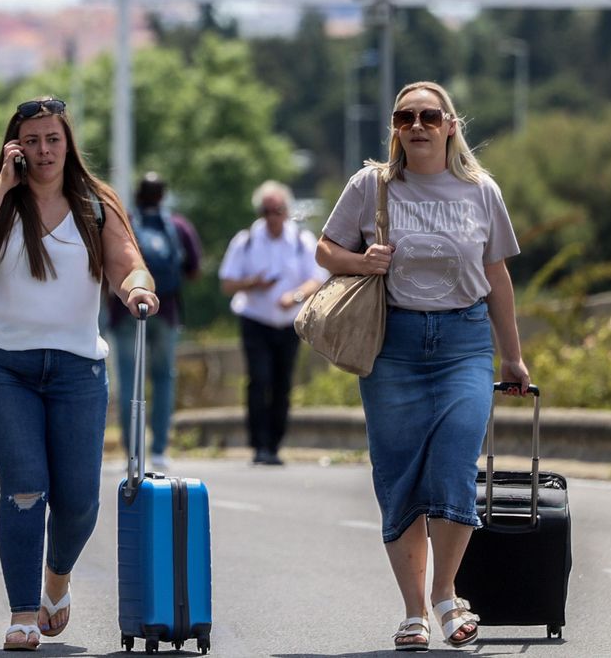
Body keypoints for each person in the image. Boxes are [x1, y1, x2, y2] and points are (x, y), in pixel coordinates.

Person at [0, 97, 160, 651]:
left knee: (80, 499)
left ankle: (55, 581)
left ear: (68, 144)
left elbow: (126, 262)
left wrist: (137, 288)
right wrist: (0, 185)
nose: (43, 151)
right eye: (31, 141)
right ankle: (21, 615)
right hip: (0, 366)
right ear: (16, 146)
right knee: (24, 489)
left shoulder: (94, 204)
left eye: (52, 140)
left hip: (76, 368)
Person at [318, 81, 530, 651]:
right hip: (394, 344)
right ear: (394, 127)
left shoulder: (481, 191)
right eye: (405, 116)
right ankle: (414, 612)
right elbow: (324, 251)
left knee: (457, 463)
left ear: (451, 125)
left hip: (463, 343)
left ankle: (444, 593)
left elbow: (498, 277)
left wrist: (511, 355)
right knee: (400, 476)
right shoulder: (372, 186)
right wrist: (363, 260)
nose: (417, 125)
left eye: (429, 116)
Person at [218, 180, 328, 466]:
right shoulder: (246, 241)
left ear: (286, 211)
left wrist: (295, 296)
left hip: (289, 322)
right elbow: (228, 283)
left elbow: (317, 278)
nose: (272, 218)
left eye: (277, 210)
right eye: (266, 211)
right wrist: (253, 283)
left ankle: (275, 443)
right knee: (259, 379)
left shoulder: (301, 240)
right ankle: (259, 444)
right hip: (255, 318)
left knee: (282, 384)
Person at [104, 172, 201, 468]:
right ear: (163, 196)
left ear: (136, 196)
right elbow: (194, 269)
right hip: (166, 310)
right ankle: (159, 449)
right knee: (163, 379)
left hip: (125, 312)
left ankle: (133, 453)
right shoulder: (179, 226)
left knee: (129, 380)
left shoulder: (125, 224)